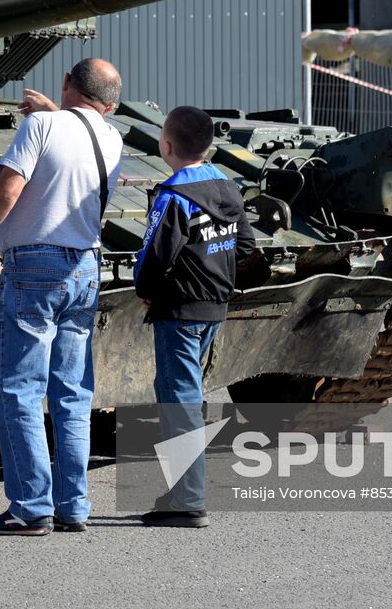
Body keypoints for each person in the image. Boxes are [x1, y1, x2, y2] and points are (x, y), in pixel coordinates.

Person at [0, 57, 124, 537]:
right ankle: (74, 506)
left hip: (34, 265)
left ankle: (31, 506)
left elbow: (7, 190)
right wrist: (57, 111)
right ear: (110, 104)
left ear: (67, 82)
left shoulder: (42, 126)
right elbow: (78, 136)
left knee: (19, 388)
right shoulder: (110, 138)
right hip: (85, 267)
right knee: (71, 392)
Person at [134, 105, 261, 527]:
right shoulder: (226, 186)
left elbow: (154, 257)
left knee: (180, 399)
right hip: (213, 307)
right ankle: (182, 491)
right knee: (188, 393)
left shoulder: (173, 195)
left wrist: (148, 292)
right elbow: (245, 248)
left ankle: (187, 500)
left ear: (165, 145)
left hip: (179, 310)